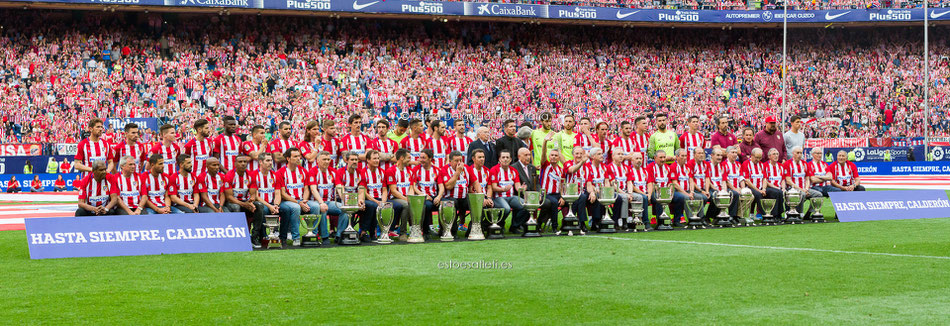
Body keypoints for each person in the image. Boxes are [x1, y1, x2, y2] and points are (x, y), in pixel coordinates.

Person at [276, 148, 317, 246]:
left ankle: (313, 235)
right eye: (295, 156)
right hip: (287, 201)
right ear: (288, 159)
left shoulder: (303, 171)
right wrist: (299, 203)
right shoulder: (281, 172)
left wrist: (304, 201)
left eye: (299, 156)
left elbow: (306, 189)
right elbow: (283, 193)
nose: (298, 158)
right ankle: (296, 237)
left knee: (315, 206)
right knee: (296, 207)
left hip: (301, 200)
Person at [361, 149, 401, 239]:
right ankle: (365, 231)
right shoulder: (363, 172)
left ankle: (387, 230)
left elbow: (384, 190)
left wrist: (383, 201)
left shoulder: (382, 172)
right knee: (372, 206)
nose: (377, 160)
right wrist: (377, 202)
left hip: (380, 199)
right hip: (368, 199)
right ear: (368, 160)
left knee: (397, 206)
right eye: (374, 158)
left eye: (378, 158)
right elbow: (364, 192)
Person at [338, 152, 374, 242]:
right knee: (345, 208)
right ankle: (340, 235)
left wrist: (361, 201)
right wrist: (354, 202)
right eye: (352, 160)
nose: (355, 162)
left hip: (356, 199)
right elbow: (340, 191)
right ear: (346, 161)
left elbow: (361, 190)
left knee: (370, 206)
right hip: (343, 200)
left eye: (356, 160)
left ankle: (363, 232)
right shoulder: (340, 172)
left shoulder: (360, 173)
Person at [305, 151, 340, 244]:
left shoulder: (333, 172)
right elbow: (313, 189)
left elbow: (339, 187)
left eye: (328, 159)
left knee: (344, 209)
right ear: (318, 161)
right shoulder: (312, 171)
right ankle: (324, 237)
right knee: (322, 209)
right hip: (316, 202)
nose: (327, 161)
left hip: (330, 202)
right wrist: (321, 202)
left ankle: (340, 235)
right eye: (324, 159)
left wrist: (345, 201)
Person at [489, 151, 528, 234]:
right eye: (503, 157)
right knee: (506, 209)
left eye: (507, 157)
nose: (505, 159)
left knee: (525, 205)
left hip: (511, 197)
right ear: (499, 159)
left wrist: (521, 189)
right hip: (498, 197)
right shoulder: (494, 170)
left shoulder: (513, 170)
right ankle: (499, 224)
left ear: (510, 159)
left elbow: (517, 186)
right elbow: (493, 187)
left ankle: (515, 226)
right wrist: (503, 189)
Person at [224, 154, 261, 242]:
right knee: (236, 207)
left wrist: (251, 201)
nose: (243, 164)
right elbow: (229, 197)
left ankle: (255, 236)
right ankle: (238, 236)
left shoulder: (250, 175)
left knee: (259, 206)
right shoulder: (229, 175)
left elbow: (253, 194)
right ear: (235, 164)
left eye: (245, 162)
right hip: (232, 202)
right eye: (240, 162)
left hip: (245, 201)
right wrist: (244, 204)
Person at [442, 150, 477, 239]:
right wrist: (457, 172)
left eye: (460, 160)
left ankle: (471, 231)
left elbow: (475, 182)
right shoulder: (445, 169)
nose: (459, 163)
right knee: (452, 204)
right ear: (450, 161)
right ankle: (453, 232)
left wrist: (482, 197)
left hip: (464, 197)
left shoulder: (467, 168)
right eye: (456, 161)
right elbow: (448, 186)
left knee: (477, 205)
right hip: (449, 197)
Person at [411, 149, 445, 240]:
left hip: (434, 196)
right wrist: (423, 195)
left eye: (423, 158)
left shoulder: (437, 170)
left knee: (444, 206)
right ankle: (426, 232)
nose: (421, 160)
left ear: (430, 159)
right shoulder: (416, 170)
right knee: (426, 206)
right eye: (420, 157)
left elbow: (441, 186)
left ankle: (443, 231)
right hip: (422, 196)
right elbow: (413, 186)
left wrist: (438, 197)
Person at [251, 153, 281, 248]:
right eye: (267, 161)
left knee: (287, 209)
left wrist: (276, 205)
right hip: (260, 203)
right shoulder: (254, 175)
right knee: (263, 209)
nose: (270, 163)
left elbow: (277, 193)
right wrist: (270, 206)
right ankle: (261, 236)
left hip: (272, 203)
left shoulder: (275, 175)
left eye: (271, 160)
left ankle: (281, 236)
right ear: (260, 162)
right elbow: (255, 196)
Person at [583, 147, 617, 231]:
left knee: (618, 198)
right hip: (590, 190)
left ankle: (615, 220)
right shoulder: (587, 167)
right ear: (593, 156)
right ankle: (596, 222)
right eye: (599, 154)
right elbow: (589, 183)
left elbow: (606, 181)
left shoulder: (604, 167)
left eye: (602, 153)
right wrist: (595, 191)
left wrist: (608, 191)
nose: (602, 155)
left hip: (602, 190)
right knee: (598, 196)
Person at [784, 146, 823, 219]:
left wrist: (806, 188)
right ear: (793, 153)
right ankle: (799, 213)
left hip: (804, 188)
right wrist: (802, 190)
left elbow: (807, 179)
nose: (799, 155)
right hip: (792, 189)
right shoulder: (788, 164)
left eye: (801, 153)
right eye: (797, 153)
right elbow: (788, 181)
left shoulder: (805, 164)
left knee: (818, 195)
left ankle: (809, 213)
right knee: (802, 194)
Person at [649, 150, 684, 227]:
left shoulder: (667, 167)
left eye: (664, 157)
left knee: (680, 197)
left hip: (667, 191)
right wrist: (660, 191)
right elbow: (651, 182)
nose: (663, 159)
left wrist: (670, 188)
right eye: (660, 157)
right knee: (659, 198)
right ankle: (661, 222)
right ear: (655, 158)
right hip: (655, 192)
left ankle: (676, 220)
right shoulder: (650, 167)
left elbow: (670, 182)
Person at [385, 149, 414, 240]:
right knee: (406, 204)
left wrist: (411, 198)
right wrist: (406, 199)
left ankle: (417, 230)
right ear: (401, 158)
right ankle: (403, 233)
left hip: (405, 197)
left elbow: (411, 187)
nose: (410, 160)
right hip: (394, 198)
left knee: (419, 204)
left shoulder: (409, 170)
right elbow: (393, 191)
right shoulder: (391, 170)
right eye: (408, 158)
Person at [671, 148, 704, 223]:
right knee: (686, 197)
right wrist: (687, 194)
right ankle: (691, 219)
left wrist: (692, 192)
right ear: (677, 156)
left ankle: (701, 218)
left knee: (699, 197)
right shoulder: (673, 166)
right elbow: (675, 184)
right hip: (677, 191)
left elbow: (691, 180)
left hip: (688, 191)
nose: (684, 158)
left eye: (686, 156)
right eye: (682, 156)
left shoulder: (687, 167)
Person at [706, 148, 739, 220]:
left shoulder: (721, 166)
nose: (720, 157)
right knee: (715, 196)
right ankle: (709, 216)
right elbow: (707, 179)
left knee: (734, 194)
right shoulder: (707, 165)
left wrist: (724, 190)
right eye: (717, 155)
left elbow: (724, 180)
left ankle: (731, 216)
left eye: (721, 155)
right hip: (711, 188)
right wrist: (715, 188)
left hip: (720, 188)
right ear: (712, 155)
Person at [564, 146, 589, 232]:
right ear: (573, 155)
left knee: (583, 197)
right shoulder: (568, 163)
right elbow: (571, 170)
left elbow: (588, 183)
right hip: (569, 193)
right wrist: (582, 162)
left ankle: (573, 221)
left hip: (582, 193)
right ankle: (581, 223)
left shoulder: (587, 167)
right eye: (577, 153)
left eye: (581, 154)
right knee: (581, 197)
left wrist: (592, 192)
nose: (579, 155)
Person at [626, 152, 652, 230]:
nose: (639, 160)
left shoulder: (645, 171)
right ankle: (645, 221)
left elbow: (650, 183)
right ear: (632, 160)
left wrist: (650, 194)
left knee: (655, 197)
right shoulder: (629, 170)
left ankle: (661, 220)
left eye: (640, 158)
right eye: (636, 158)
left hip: (645, 193)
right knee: (643, 197)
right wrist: (644, 194)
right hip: (635, 193)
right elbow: (632, 186)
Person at [742, 148, 769, 219]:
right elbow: (747, 180)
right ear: (752, 155)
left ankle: (776, 214)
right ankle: (763, 214)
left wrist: (763, 188)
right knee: (758, 194)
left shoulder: (762, 165)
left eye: (760, 158)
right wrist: (759, 190)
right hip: (750, 187)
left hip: (761, 188)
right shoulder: (746, 164)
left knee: (774, 192)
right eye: (757, 157)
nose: (758, 159)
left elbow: (764, 178)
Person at [722, 146, 745, 222]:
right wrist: (735, 189)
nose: (735, 154)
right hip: (728, 188)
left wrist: (743, 189)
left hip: (737, 188)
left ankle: (740, 215)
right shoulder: (724, 165)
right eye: (732, 152)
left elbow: (741, 178)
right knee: (735, 193)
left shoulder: (738, 164)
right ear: (727, 154)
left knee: (748, 195)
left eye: (736, 153)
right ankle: (732, 216)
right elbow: (726, 181)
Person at [763, 148, 786, 218]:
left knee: (784, 192)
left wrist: (783, 188)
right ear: (769, 156)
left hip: (779, 188)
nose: (776, 156)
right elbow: (765, 180)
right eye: (774, 154)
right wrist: (776, 187)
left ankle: (787, 213)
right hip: (769, 187)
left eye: (777, 154)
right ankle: (775, 215)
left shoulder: (781, 166)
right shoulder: (765, 165)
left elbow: (783, 180)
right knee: (777, 192)